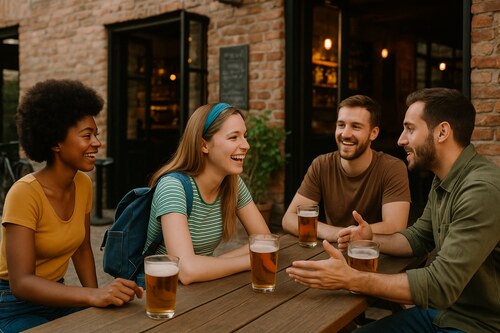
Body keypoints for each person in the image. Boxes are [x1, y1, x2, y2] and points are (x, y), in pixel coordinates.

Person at [286, 88, 500, 332]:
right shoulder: (444, 179)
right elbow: (418, 238)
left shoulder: (481, 190)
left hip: (479, 325)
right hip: (444, 313)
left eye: (410, 129)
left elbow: (441, 285)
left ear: (442, 132)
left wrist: (350, 278)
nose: (401, 140)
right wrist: (368, 237)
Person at [0, 79, 143, 333]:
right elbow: (20, 282)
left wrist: (97, 299)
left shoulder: (83, 184)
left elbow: (82, 248)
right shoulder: (23, 194)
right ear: (56, 143)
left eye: (95, 135)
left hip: (59, 296)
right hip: (13, 304)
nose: (97, 143)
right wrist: (91, 297)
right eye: (87, 135)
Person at [143, 102, 271, 285]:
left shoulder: (233, 183)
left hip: (205, 288)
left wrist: (211, 265)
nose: (246, 145)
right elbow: (187, 271)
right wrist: (252, 260)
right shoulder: (173, 187)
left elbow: (264, 241)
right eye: (234, 137)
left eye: (245, 136)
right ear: (204, 145)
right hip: (164, 294)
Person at [282, 95, 410, 242]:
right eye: (341, 125)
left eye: (356, 126)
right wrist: (334, 233)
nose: (345, 134)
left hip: (374, 255)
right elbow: (289, 219)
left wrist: (343, 234)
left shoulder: (392, 168)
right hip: (331, 251)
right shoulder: (322, 165)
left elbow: (396, 226)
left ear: (373, 133)